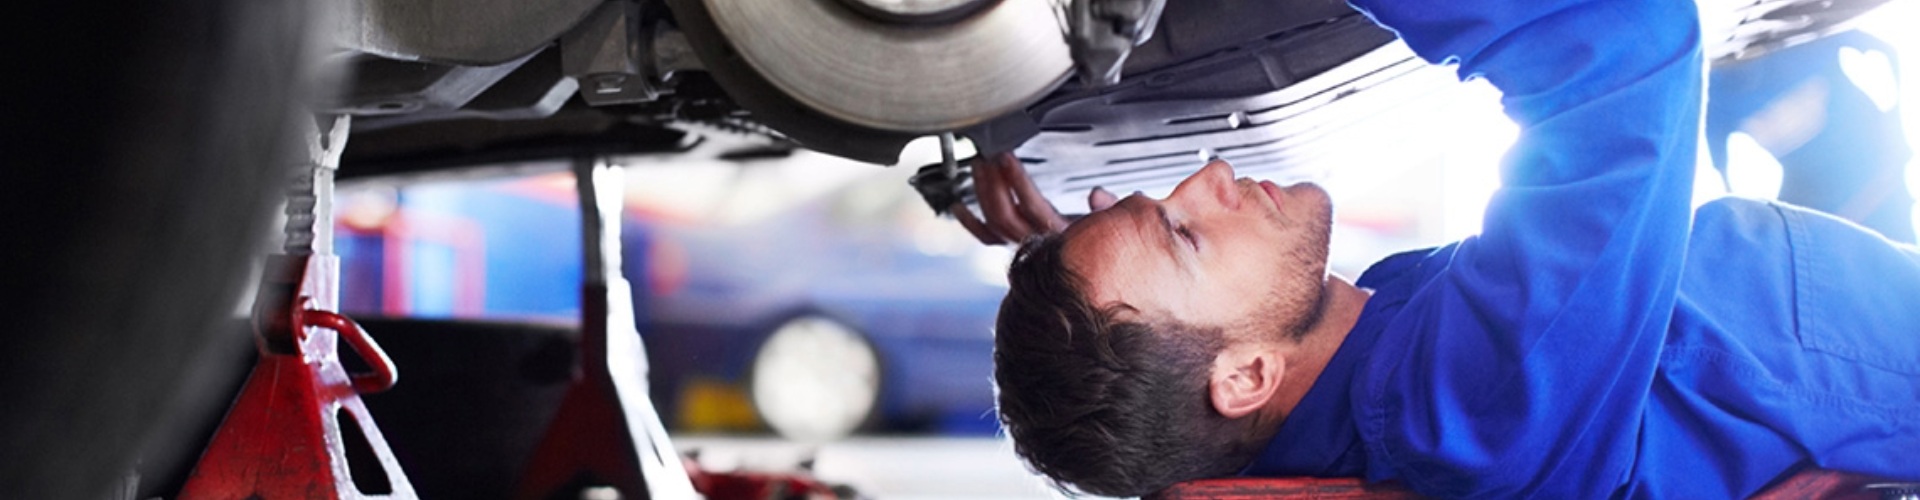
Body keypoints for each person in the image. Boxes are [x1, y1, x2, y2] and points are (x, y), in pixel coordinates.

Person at [952, 0, 1920, 497]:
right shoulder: (1477, 404)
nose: (1206, 174)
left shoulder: (1396, 372)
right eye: (1184, 229)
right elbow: (1621, 43)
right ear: (1245, 373)